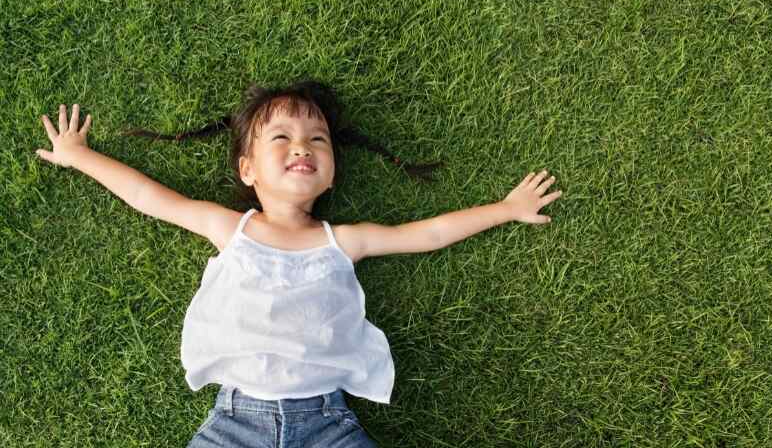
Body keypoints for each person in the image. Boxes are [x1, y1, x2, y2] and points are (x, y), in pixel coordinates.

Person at [35, 79, 563, 447]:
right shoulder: (231, 229)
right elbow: (153, 198)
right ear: (248, 169)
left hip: (328, 423)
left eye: (317, 140)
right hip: (234, 425)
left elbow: (426, 234)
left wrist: (506, 209)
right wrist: (80, 155)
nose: (301, 147)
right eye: (281, 138)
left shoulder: (344, 241)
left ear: (330, 175)